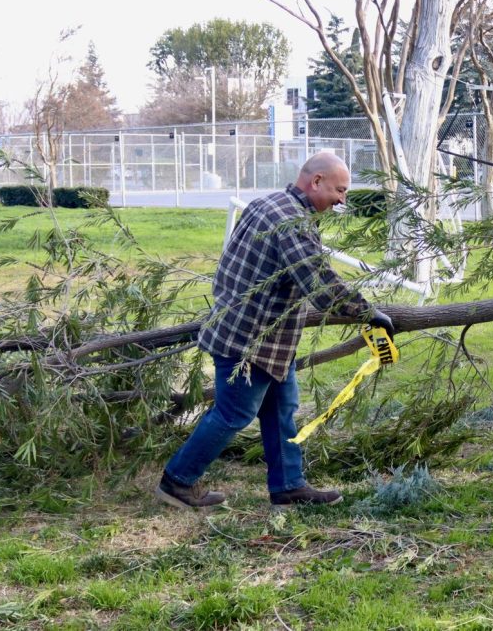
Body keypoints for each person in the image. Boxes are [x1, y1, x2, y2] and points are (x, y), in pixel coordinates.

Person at [155, 152, 396, 508]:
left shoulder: (268, 204)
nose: (342, 199)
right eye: (340, 190)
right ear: (316, 181)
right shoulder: (292, 222)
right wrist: (368, 311)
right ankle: (177, 481)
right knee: (233, 414)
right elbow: (319, 282)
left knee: (282, 408)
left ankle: (288, 486)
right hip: (250, 340)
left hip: (266, 338)